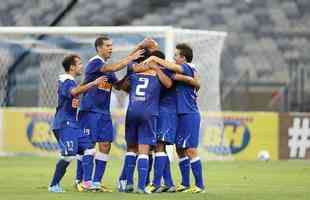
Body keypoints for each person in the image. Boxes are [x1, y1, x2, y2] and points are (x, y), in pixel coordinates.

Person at [76, 35, 144, 192]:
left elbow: (119, 86)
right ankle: (81, 180)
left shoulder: (107, 68)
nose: (110, 48)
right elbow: (113, 68)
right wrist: (132, 56)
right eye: (107, 46)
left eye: (111, 46)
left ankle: (96, 182)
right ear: (99, 48)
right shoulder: (95, 63)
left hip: (104, 112)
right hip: (90, 110)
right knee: (88, 146)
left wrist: (130, 73)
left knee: (106, 145)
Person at [143, 43, 205, 193]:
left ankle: (200, 186)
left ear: (183, 58)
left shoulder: (188, 67)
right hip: (180, 115)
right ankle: (184, 183)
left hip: (189, 114)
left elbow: (174, 71)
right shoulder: (186, 72)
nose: (173, 58)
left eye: (176, 55)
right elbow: (179, 77)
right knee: (180, 150)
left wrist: (155, 60)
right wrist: (192, 81)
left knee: (190, 150)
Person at [119, 50, 172, 194]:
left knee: (131, 149)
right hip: (149, 113)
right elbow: (168, 84)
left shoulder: (135, 73)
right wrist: (156, 69)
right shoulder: (158, 74)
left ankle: (128, 183)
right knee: (144, 151)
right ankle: (141, 187)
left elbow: (122, 86)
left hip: (132, 111)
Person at [48, 54, 104, 192]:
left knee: (90, 148)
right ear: (72, 67)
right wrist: (93, 83)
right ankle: (53, 185)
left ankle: (86, 183)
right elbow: (74, 91)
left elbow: (78, 90)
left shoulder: (71, 80)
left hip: (74, 125)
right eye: (79, 64)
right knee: (69, 155)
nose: (81, 66)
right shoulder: (67, 81)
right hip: (64, 124)